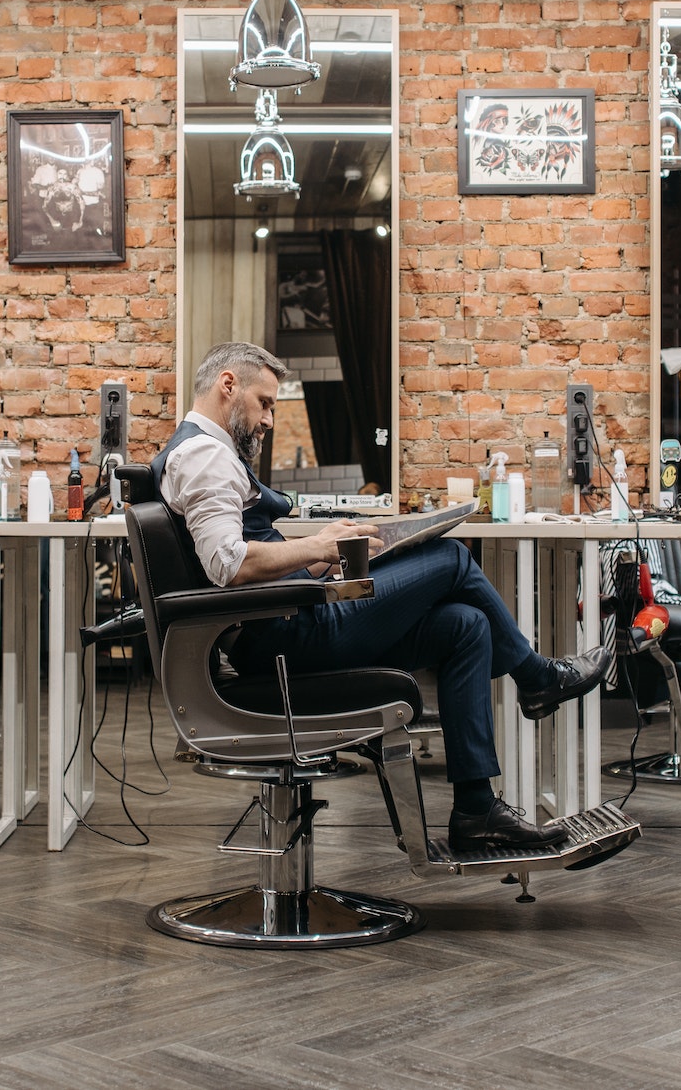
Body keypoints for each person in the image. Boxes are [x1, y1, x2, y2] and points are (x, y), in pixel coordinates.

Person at [154, 341, 609, 853]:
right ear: (227, 386)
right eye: (265, 403)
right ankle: (539, 679)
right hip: (286, 639)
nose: (269, 420)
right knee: (453, 559)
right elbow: (228, 564)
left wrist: (325, 556)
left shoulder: (206, 452)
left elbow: (247, 559)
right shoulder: (203, 455)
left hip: (287, 622)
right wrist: (318, 545)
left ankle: (477, 811)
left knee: (465, 625)